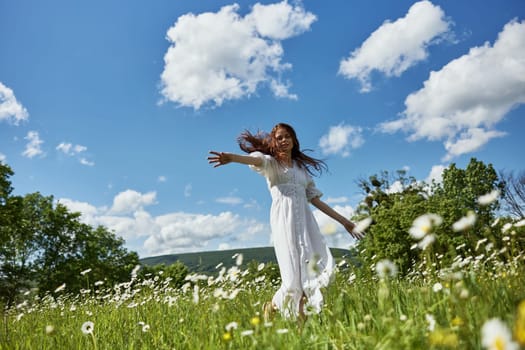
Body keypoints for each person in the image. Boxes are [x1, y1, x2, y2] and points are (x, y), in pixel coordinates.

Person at [208, 123, 363, 320]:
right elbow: (255, 160)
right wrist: (231, 158)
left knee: (310, 277)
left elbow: (316, 200)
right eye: (279, 137)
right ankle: (278, 312)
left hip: (306, 225)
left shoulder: (301, 170)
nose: (283, 140)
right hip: (284, 222)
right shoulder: (271, 163)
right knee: (292, 281)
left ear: (294, 140)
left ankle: (282, 316)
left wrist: (345, 222)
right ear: (274, 141)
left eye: (287, 136)